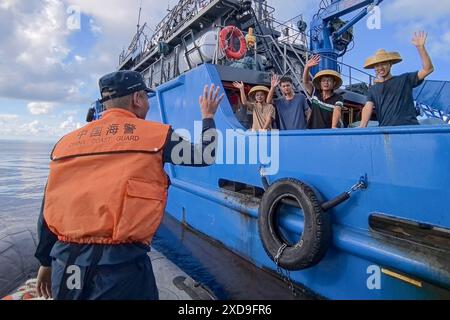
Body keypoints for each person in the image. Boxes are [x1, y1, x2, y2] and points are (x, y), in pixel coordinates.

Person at [34, 70, 224, 300]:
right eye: (146, 97)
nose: (147, 104)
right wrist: (208, 115)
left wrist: (45, 263)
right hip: (120, 269)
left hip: (66, 266)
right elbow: (205, 154)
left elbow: (48, 207)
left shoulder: (65, 144)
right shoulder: (157, 136)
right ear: (137, 99)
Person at [359, 31, 434, 127]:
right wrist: (362, 126)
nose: (380, 68)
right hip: (387, 132)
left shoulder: (405, 79)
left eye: (383, 64)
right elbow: (368, 107)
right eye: (377, 65)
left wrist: (420, 48)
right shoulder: (373, 89)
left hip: (409, 129)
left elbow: (428, 69)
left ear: (390, 64)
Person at [302, 55, 344, 129]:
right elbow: (305, 82)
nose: (326, 83)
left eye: (329, 81)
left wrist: (333, 126)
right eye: (324, 81)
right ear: (320, 83)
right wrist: (307, 67)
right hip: (312, 130)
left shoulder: (338, 98)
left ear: (334, 83)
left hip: (328, 132)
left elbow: (337, 111)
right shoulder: (315, 93)